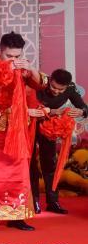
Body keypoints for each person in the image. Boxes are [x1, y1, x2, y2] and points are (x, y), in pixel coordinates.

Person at [0, 32, 46, 231]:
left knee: (17, 172)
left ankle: (16, 216)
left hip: (16, 126)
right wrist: (5, 69)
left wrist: (30, 68)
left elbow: (41, 84)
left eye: (17, 56)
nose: (13, 59)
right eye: (9, 56)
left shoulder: (23, 68)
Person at [30, 68, 88, 215]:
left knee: (49, 164)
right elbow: (30, 104)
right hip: (29, 124)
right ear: (50, 80)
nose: (56, 91)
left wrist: (81, 111)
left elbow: (83, 106)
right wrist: (52, 111)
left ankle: (53, 202)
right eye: (54, 87)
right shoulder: (39, 82)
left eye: (60, 90)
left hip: (48, 127)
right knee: (30, 164)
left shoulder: (70, 88)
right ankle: (33, 201)